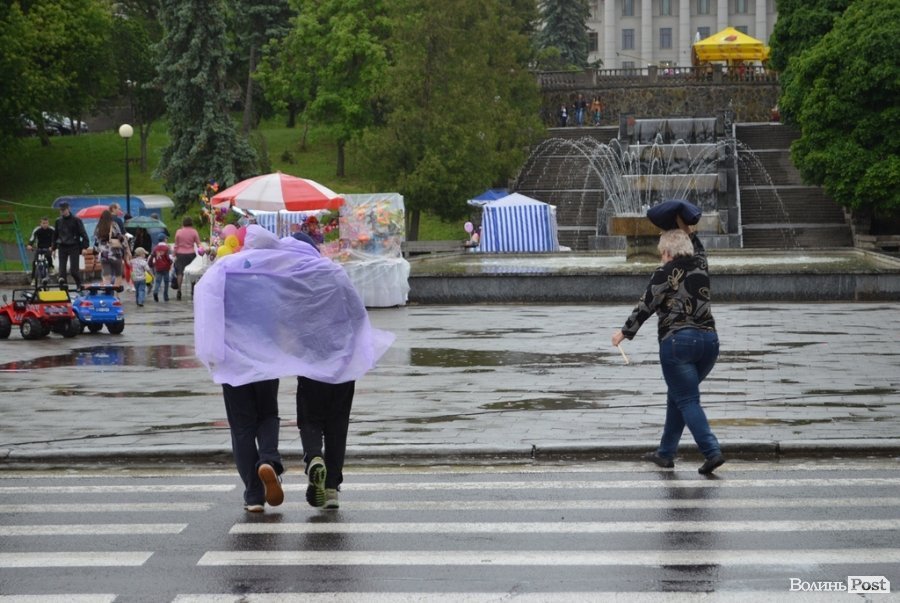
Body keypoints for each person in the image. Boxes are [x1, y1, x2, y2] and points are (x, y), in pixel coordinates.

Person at [194, 225, 393, 513]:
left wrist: (212, 351)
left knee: (246, 427)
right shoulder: (326, 273)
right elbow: (353, 314)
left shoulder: (232, 272)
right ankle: (315, 480)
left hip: (239, 361)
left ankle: (256, 493)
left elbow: (210, 305)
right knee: (316, 422)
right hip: (333, 362)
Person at [611, 229, 725, 475]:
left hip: (678, 343)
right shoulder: (701, 265)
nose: (661, 258)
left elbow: (647, 304)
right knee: (679, 396)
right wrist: (690, 230)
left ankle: (711, 451)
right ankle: (665, 453)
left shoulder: (664, 272)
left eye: (661, 253)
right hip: (709, 342)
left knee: (687, 400)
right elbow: (699, 248)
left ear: (667, 252)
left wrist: (624, 332)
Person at [53, 202, 90, 289]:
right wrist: (53, 248)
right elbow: (55, 235)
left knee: (74, 270)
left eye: (64, 210)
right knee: (62, 272)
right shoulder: (58, 221)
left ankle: (79, 284)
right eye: (61, 210)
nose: (63, 212)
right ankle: (63, 289)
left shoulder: (76, 220)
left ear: (68, 209)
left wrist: (84, 247)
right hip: (62, 246)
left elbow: (83, 234)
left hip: (74, 246)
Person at [93, 209, 126, 288]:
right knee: (118, 275)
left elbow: (96, 242)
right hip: (115, 254)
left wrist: (95, 254)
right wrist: (125, 247)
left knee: (106, 275)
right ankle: (116, 293)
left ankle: (107, 291)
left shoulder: (98, 227)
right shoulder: (114, 225)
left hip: (104, 255)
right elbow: (120, 237)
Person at [173, 216, 200, 300]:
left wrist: (174, 254)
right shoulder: (194, 231)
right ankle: (193, 290)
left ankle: (179, 290)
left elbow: (176, 245)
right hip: (191, 254)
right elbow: (198, 243)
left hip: (180, 254)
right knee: (192, 272)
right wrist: (202, 251)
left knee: (180, 273)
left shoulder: (179, 232)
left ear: (183, 223)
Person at [27, 217, 55, 283]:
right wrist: (29, 245)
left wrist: (53, 247)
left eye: (46, 223)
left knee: (48, 256)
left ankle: (50, 267)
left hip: (48, 248)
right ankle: (33, 278)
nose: (45, 225)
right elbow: (32, 238)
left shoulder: (52, 230)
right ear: (40, 224)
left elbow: (55, 239)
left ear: (48, 223)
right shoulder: (37, 230)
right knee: (35, 262)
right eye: (43, 223)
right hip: (39, 248)